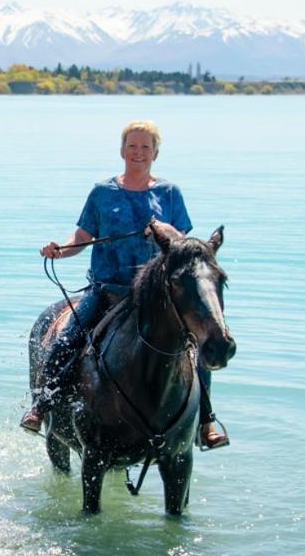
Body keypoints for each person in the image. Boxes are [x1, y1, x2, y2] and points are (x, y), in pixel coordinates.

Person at [18, 119, 229, 449]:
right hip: (107, 291)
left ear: (155, 153)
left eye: (145, 147)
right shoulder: (102, 193)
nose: (138, 152)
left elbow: (183, 246)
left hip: (154, 299)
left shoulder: (170, 193)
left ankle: (206, 421)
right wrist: (59, 250)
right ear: (122, 150)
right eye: (132, 146)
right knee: (67, 339)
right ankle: (41, 405)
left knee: (193, 346)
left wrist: (162, 230)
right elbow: (82, 237)